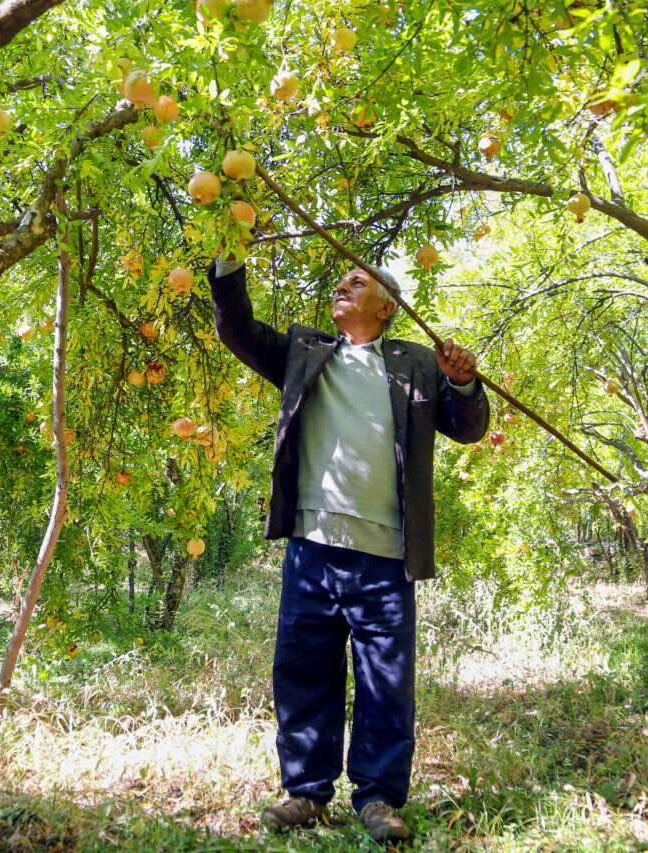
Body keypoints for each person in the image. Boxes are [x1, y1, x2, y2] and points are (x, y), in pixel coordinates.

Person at [207, 250, 489, 844]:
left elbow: (468, 426)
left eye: (356, 282)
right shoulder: (304, 353)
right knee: (303, 671)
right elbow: (235, 328)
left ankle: (380, 797)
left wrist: (463, 381)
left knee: (386, 680)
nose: (341, 286)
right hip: (312, 548)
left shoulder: (416, 361)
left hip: (386, 556)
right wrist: (231, 261)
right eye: (341, 281)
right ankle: (306, 794)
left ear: (386, 305)